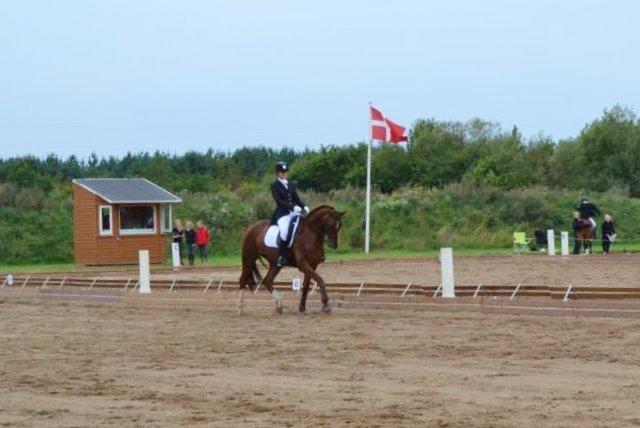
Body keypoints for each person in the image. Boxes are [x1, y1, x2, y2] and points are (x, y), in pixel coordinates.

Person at [271, 161, 309, 267]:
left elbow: (296, 197)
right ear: (277, 173)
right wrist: (292, 207)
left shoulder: (290, 184)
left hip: (294, 213)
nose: (284, 173)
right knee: (284, 232)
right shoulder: (275, 186)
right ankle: (281, 257)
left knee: (305, 226)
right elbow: (279, 201)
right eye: (282, 172)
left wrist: (303, 206)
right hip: (282, 214)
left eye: (285, 171)